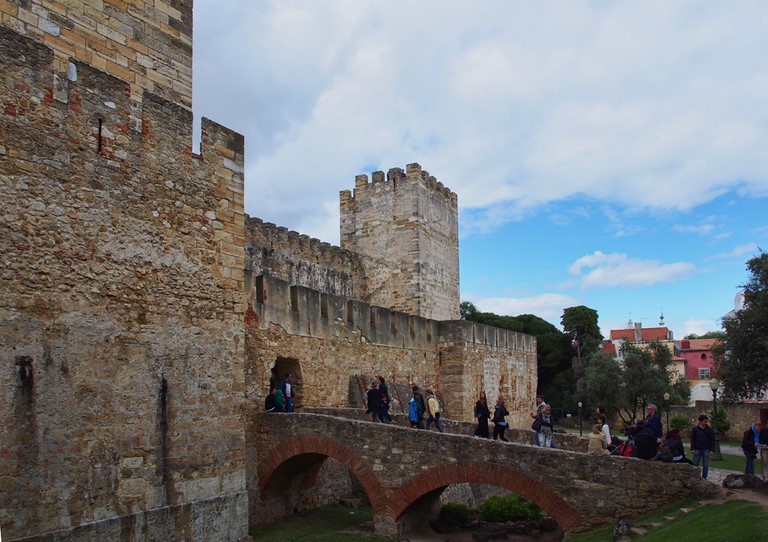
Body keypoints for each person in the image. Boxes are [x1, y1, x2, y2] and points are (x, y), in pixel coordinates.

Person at [690, 414, 716, 479]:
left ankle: (704, 478)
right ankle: (693, 476)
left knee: (706, 465)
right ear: (700, 421)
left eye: (706, 421)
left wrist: (712, 450)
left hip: (706, 449)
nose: (706, 423)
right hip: (697, 449)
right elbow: (692, 439)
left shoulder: (709, 430)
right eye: (704, 421)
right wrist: (692, 449)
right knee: (695, 464)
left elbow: (712, 440)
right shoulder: (695, 429)